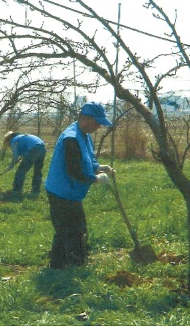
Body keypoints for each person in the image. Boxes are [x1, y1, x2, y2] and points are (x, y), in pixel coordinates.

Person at [44, 101, 115, 269]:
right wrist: (96, 179)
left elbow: (87, 159)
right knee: (74, 230)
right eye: (96, 122)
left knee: (65, 229)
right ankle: (76, 266)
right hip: (62, 191)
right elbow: (75, 171)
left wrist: (98, 167)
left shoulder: (84, 135)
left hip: (70, 191)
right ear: (84, 118)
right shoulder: (71, 138)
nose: (98, 126)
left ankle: (58, 265)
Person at [2, 131, 47, 199]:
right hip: (42, 147)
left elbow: (15, 157)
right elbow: (25, 151)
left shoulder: (13, 141)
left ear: (9, 138)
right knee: (37, 171)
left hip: (34, 149)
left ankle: (16, 190)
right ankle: (36, 190)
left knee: (21, 171)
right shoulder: (22, 137)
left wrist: (10, 166)